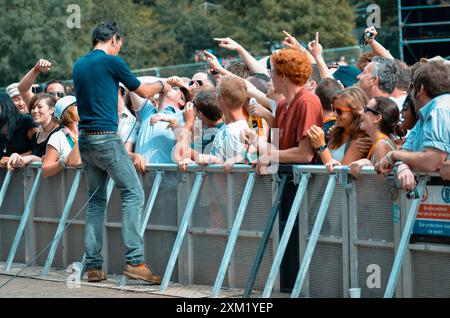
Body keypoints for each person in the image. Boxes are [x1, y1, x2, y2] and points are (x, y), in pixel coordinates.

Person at [72, 21, 170, 284]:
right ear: (114, 39)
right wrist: (164, 84)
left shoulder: (79, 64)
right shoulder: (111, 62)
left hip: (85, 140)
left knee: (95, 202)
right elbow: (145, 91)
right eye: (120, 44)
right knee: (133, 193)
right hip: (106, 137)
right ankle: (135, 261)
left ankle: (93, 266)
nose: (119, 49)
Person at [375, 61, 450, 191]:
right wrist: (403, 165)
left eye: (411, 87)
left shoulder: (440, 109)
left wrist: (394, 156)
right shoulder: (426, 115)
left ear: (419, 89)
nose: (410, 93)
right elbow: (406, 150)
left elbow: (432, 160)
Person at [307, 87, 368, 171]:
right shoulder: (337, 130)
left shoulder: (360, 140)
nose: (334, 114)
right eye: (333, 108)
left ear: (355, 111)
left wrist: (321, 146)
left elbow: (340, 176)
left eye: (339, 111)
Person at [5, 93, 62, 169]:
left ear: (51, 109)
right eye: (33, 107)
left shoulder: (59, 133)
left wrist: (33, 158)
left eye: (40, 107)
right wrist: (15, 156)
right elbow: (31, 155)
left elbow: (53, 161)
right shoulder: (35, 136)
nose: (35, 111)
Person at [348, 97, 400, 177]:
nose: (360, 112)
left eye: (365, 109)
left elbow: (380, 183)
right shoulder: (380, 142)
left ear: (377, 118)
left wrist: (367, 163)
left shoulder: (381, 145)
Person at [42, 95, 81, 177]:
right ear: (68, 112)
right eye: (76, 105)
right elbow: (45, 170)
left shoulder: (91, 130)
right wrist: (64, 161)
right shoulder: (57, 137)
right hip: (70, 188)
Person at [0, 93, 38, 166]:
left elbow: (37, 149)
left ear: (5, 105)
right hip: (7, 175)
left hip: (29, 173)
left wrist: (17, 157)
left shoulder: (25, 120)